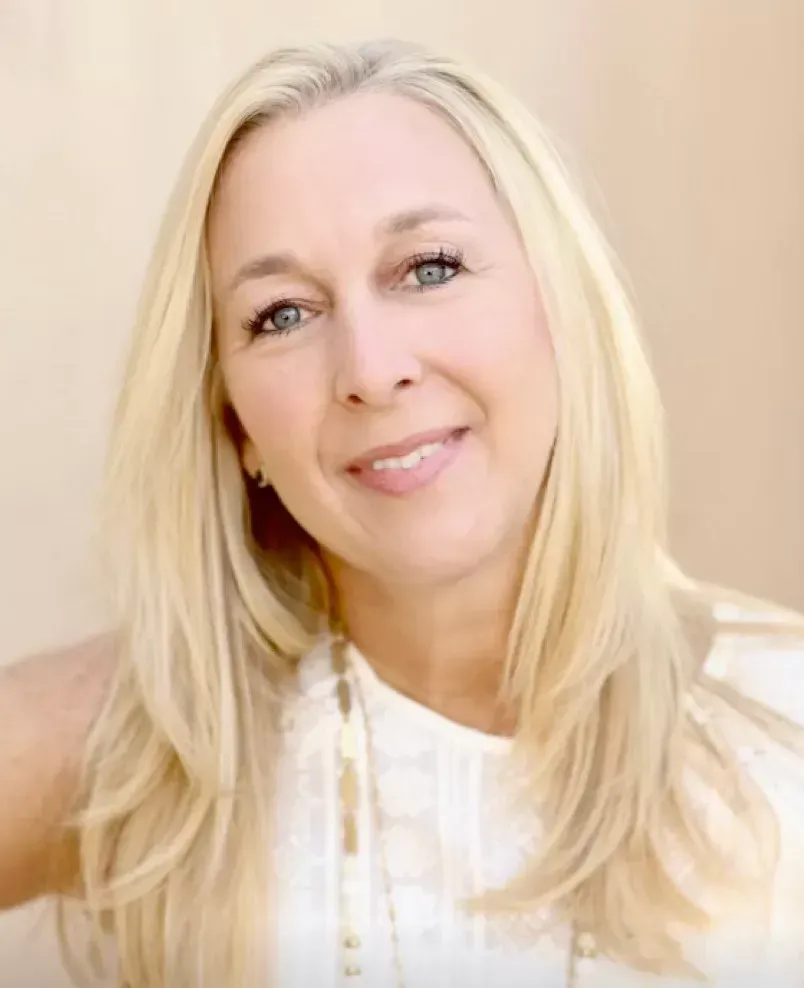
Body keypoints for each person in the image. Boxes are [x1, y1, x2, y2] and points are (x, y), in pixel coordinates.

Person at [1, 37, 803, 988]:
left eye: (428, 267)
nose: (373, 370)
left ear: (561, 306)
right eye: (283, 315)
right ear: (235, 423)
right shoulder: (133, 745)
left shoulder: (780, 729)